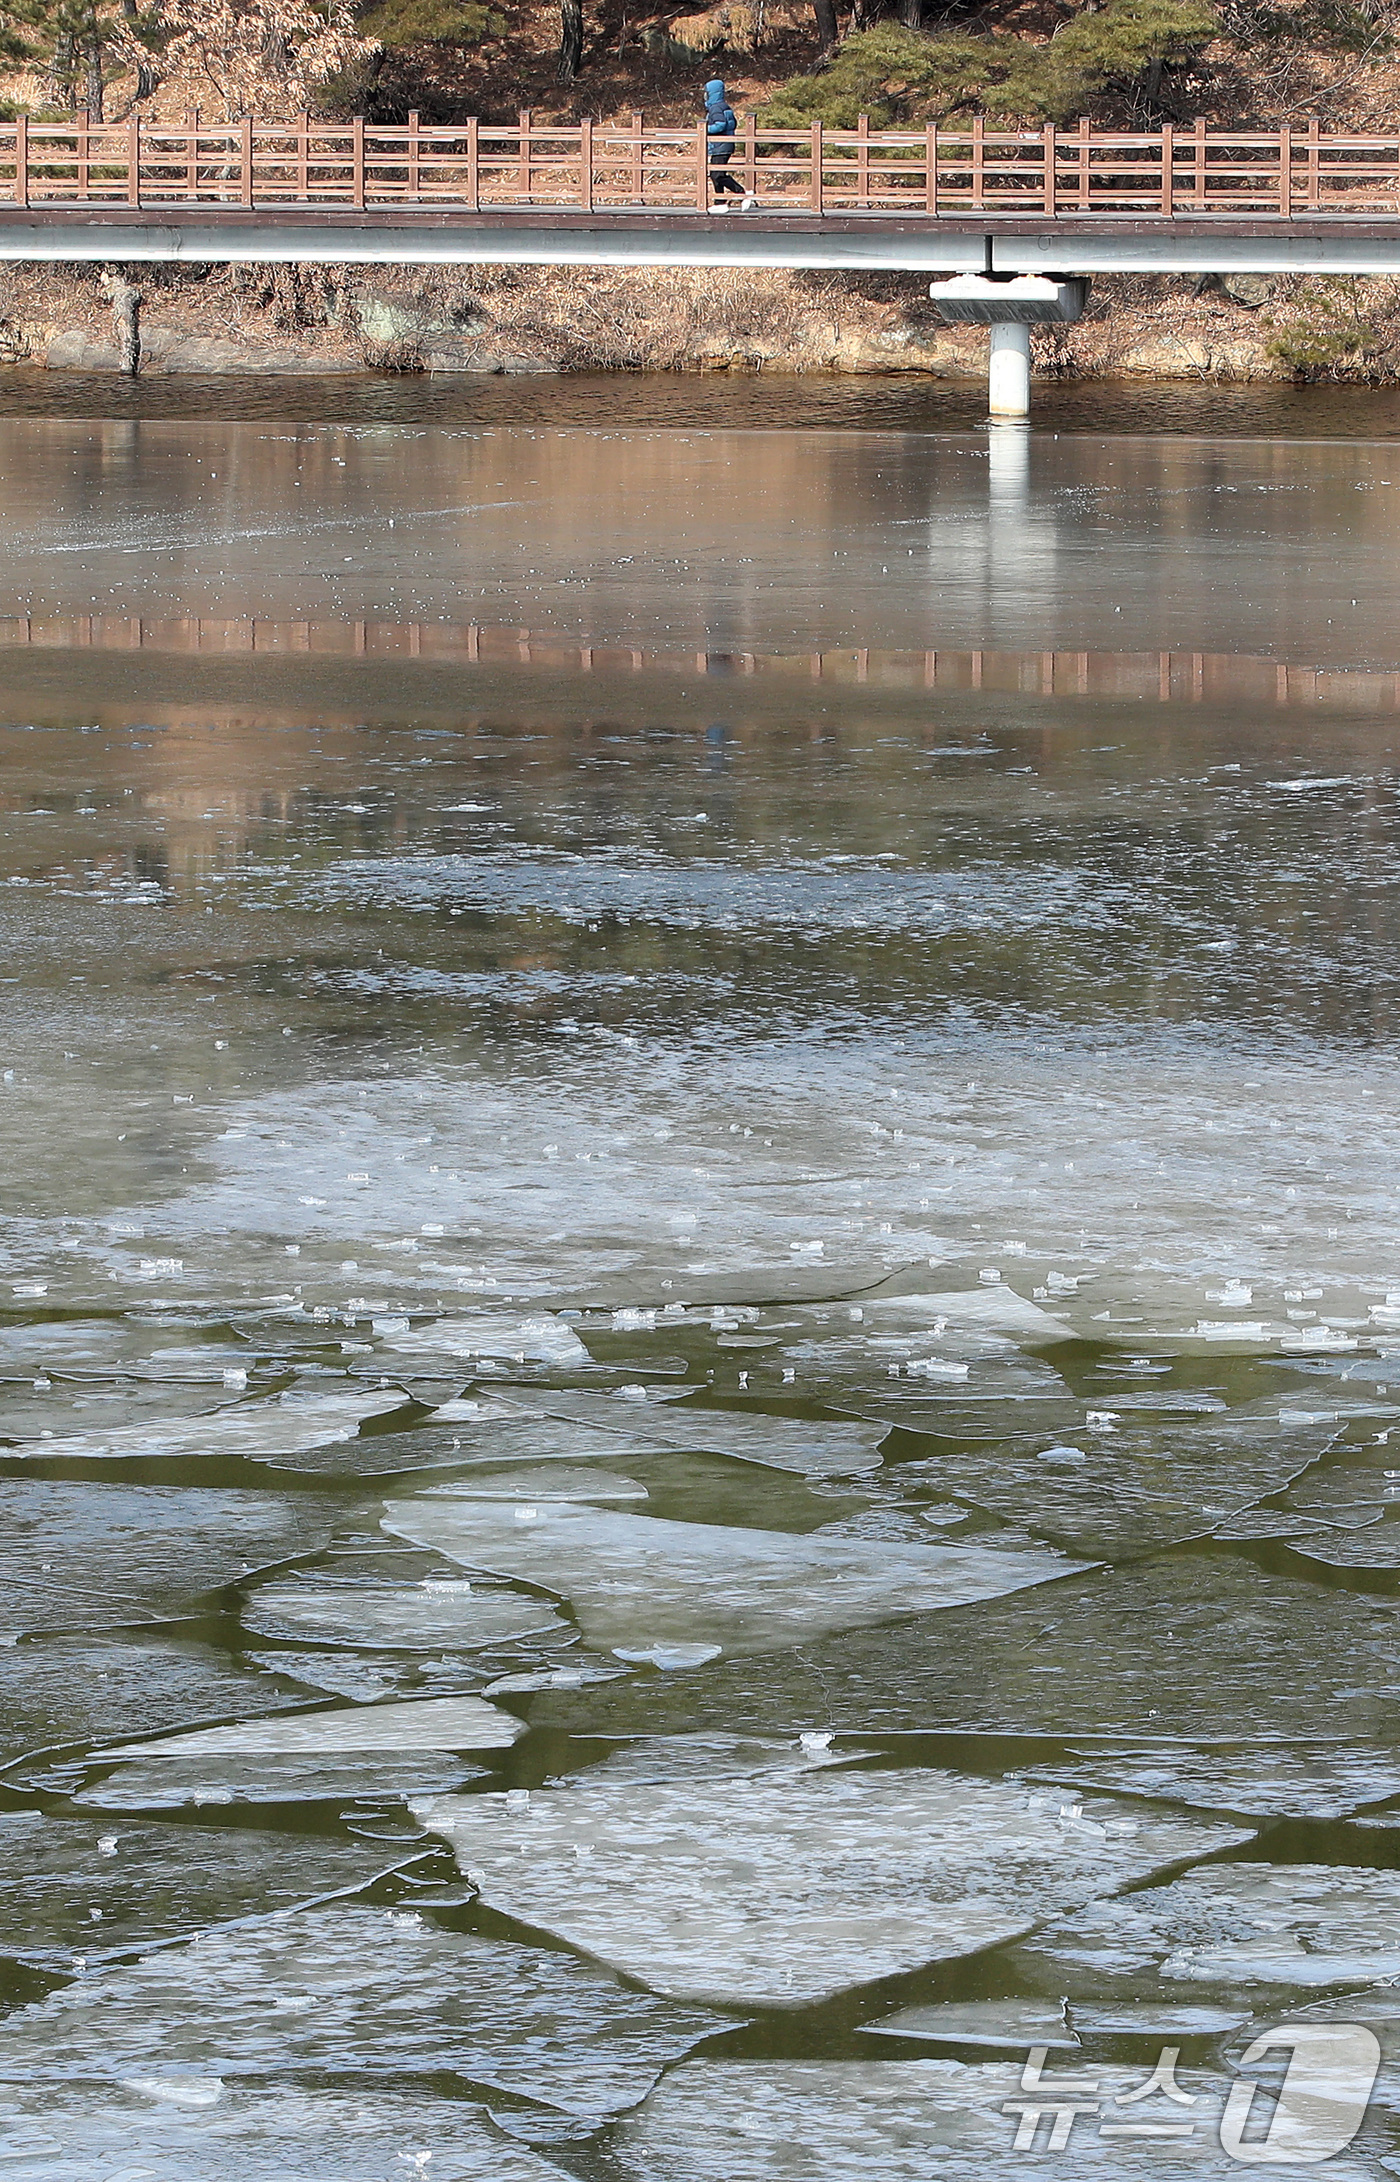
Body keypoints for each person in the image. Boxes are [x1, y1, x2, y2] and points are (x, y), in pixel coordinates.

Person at [704, 79, 756, 211]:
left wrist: (705, 128)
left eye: (707, 92)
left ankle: (741, 193)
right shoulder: (724, 106)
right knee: (716, 174)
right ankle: (719, 202)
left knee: (717, 174)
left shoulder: (715, 108)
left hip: (720, 146)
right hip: (724, 145)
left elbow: (720, 125)